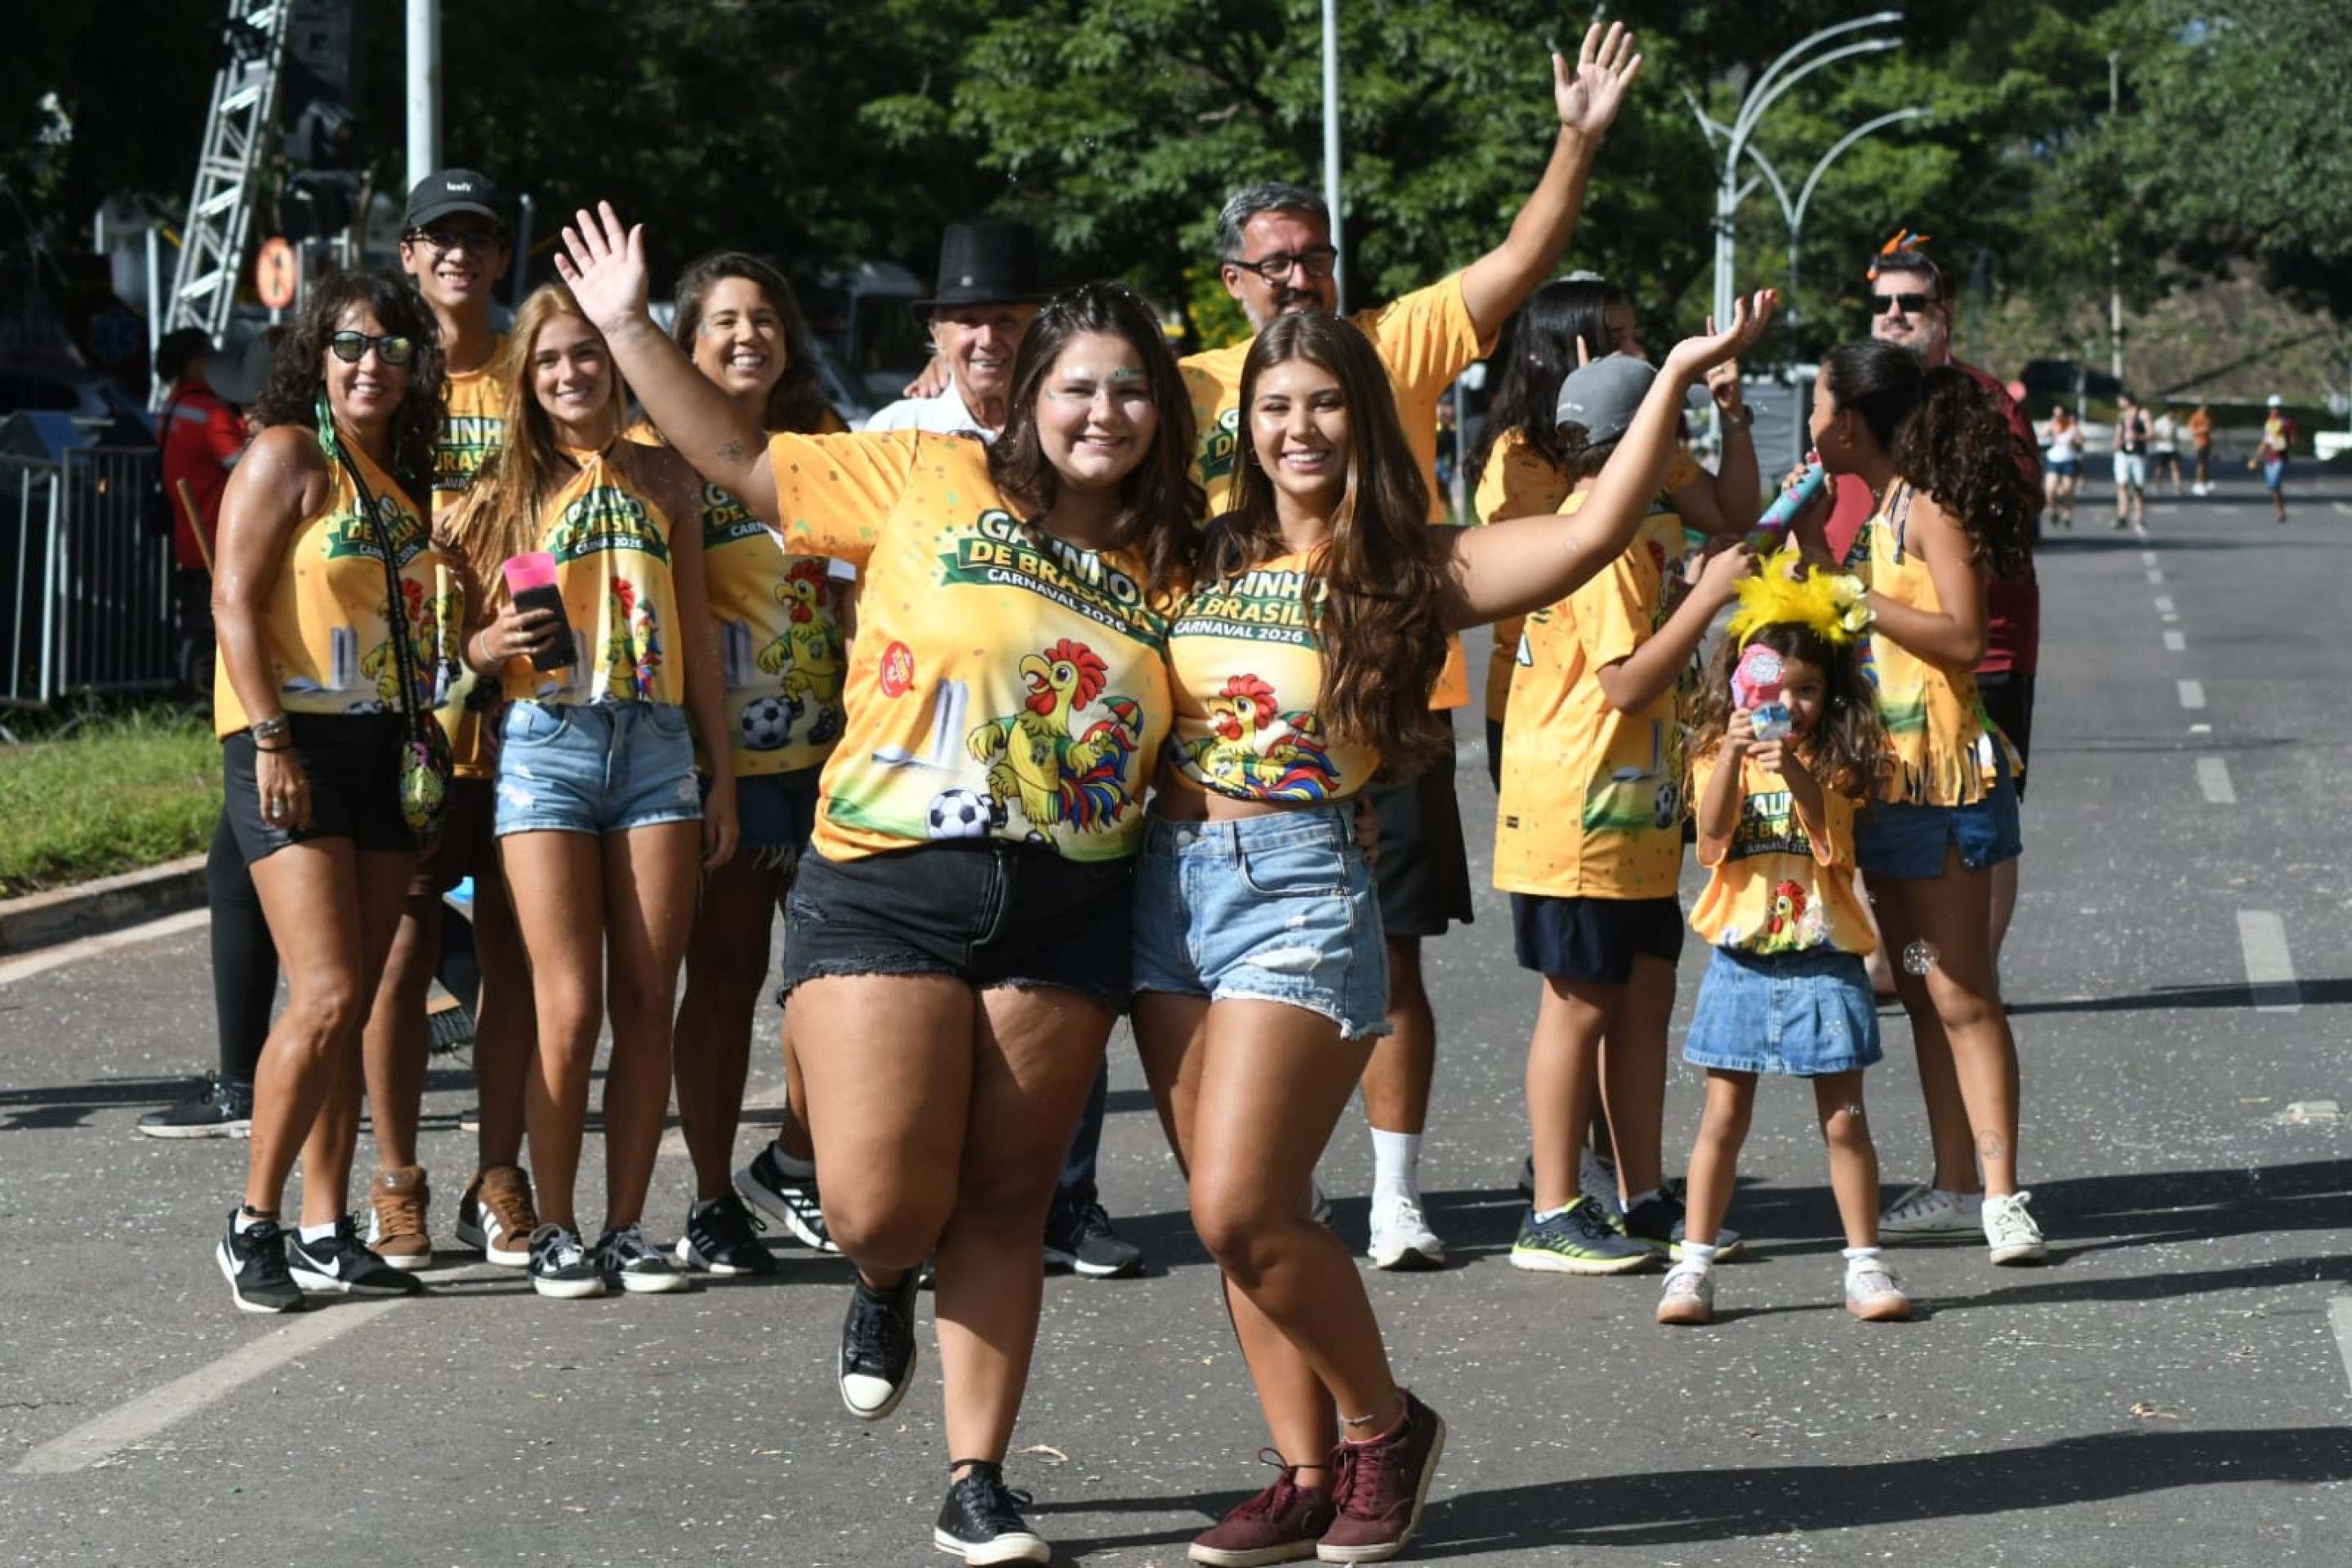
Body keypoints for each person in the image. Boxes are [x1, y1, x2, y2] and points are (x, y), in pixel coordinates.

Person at [559, 197, 1199, 1564]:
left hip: (1068, 902)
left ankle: (978, 1479)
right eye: (1076, 388)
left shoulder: (1176, 553)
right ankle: (876, 1274)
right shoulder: (917, 479)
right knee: (874, 1198)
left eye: (1131, 390)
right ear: (1022, 399)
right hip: (887, 878)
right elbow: (731, 450)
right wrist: (625, 323)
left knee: (1007, 1199)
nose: (1104, 414)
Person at [1149, 297, 1774, 1568]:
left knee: (1238, 1204)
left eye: (1325, 402)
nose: (1298, 427)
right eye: (1275, 406)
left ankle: (1388, 1426)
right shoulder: (1194, 555)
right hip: (1170, 894)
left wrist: (1689, 380)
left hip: (1300, 888)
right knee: (1239, 1222)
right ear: (1245, 427)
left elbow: (1599, 526)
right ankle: (1306, 1473)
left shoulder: (1411, 565)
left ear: (1365, 422)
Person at [1181, 20, 1645, 1271]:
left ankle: (1394, 1196)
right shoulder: (1190, 386)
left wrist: (1576, 140)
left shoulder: (1395, 341)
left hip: (1393, 706)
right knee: (1213, 970)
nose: (1298, 281)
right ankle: (1260, 1188)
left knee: (1387, 962)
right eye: (1274, 264)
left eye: (1315, 258)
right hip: (1231, 731)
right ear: (1231, 279)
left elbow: (1523, 256)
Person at [854, 220, 1147, 1280]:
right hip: (919, 784)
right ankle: (917, 1224)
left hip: (1060, 783)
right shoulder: (896, 437)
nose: (989, 337)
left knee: (1053, 1018)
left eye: (1010, 319)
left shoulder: (1080, 428)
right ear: (937, 328)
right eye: (969, 318)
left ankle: (1064, 1202)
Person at [448, 283, 736, 1299]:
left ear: (614, 362)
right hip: (545, 743)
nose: (571, 373)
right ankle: (555, 1226)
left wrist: (721, 774)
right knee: (565, 1008)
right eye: (550, 361)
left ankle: (625, 1227)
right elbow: (453, 630)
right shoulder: (506, 486)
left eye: (585, 354)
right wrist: (484, 646)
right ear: (527, 377)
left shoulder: (668, 475)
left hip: (658, 746)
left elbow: (698, 630)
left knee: (650, 999)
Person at [208, 270, 454, 1312]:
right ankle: (251, 1224)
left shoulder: (392, 478)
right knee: (325, 996)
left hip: (377, 750)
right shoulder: (287, 455)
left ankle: (322, 1225)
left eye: (394, 350)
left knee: (351, 1002)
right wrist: (270, 740)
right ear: (318, 354)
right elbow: (232, 600)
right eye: (352, 346)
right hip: (290, 738)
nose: (372, 366)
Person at [1786, 339, 2047, 1269]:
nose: (1810, 421)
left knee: (1962, 992)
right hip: (1885, 786)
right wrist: (1814, 543)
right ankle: (1954, 1178)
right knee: (1926, 988)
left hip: (1942, 784)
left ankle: (2004, 1193)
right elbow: (1846, 624)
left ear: (1849, 421)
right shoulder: (1877, 509)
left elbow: (1967, 636)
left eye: (1817, 405)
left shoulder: (1929, 505)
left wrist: (1858, 593)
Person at [1499, 356, 1756, 1277]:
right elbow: (1626, 683)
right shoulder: (1593, 540)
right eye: (1672, 430)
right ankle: (1551, 1207)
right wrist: (1708, 599)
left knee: (1643, 999)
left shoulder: (1632, 528)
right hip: (1576, 811)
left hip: (1634, 811)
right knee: (1578, 1006)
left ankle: (1643, 1197)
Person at [642, 251, 849, 1275]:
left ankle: (801, 1163)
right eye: (723, 322)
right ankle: (715, 1195)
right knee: (722, 981)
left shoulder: (827, 447)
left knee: (830, 985)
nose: (747, 337)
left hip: (836, 765)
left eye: (765, 319)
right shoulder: (658, 454)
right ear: (686, 343)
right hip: (721, 769)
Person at [358, 167, 537, 1271]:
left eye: (478, 236)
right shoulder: (385, 372)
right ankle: (396, 1184)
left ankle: (501, 1176)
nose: (459, 254)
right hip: (412, 714)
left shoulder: (537, 368)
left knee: (517, 958)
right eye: (439, 237)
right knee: (399, 955)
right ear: (412, 255)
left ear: (502, 256)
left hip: (527, 714)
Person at [1655, 559, 1911, 1327]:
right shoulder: (1715, 751)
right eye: (1776, 688)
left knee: (1845, 1121)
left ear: (1829, 693)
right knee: (1722, 1121)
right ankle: (1691, 1270)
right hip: (1741, 959)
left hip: (1826, 959)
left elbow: (1835, 841)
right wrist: (1733, 753)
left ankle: (1865, 1264)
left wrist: (1794, 769)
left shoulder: (1836, 759)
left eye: (1807, 690)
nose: (1790, 705)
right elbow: (1711, 837)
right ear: (1742, 684)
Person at [1820, 234, 2041, 1104]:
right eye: (1884, 305)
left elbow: (1981, 572)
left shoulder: (1967, 429)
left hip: (1967, 676)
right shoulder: (1870, 454)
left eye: (1912, 304)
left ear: (1942, 314)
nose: (1897, 316)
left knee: (1956, 970)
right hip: (1884, 699)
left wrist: (1871, 598)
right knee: (1919, 976)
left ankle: (1988, 1181)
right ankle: (1923, 967)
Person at [141, 328, 270, 1142]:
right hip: (270, 706)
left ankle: (246, 1083)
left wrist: (273, 734)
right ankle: (241, 1079)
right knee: (235, 875)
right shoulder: (209, 418)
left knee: (389, 906)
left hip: (278, 716)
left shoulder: (270, 456)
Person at [866, 220, 1045, 440]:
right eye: (968, 321)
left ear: (1037, 329)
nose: (987, 340)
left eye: (1005, 321)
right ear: (938, 334)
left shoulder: (1065, 432)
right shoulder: (898, 431)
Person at [2110, 394, 2149, 532]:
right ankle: (2122, 516)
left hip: (2137, 454)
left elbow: (2151, 433)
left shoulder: (2142, 414)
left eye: (2121, 400)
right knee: (2122, 485)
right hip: (2122, 454)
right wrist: (2116, 442)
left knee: (2138, 487)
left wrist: (2138, 437)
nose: (2119, 402)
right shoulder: (2122, 415)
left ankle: (2140, 516)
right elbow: (2118, 432)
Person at [2255, 394, 2296, 523]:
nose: (2274, 410)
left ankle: (2280, 511)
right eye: (2272, 408)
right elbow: (2265, 442)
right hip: (2270, 458)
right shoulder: (2269, 423)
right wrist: (2256, 458)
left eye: (2276, 408)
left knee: (2275, 482)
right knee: (2273, 487)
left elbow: (2293, 441)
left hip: (2280, 458)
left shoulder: (2287, 423)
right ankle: (2280, 509)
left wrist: (2282, 438)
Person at [2042, 404, 2081, 529]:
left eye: (2060, 414)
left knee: (2067, 490)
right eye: (2055, 414)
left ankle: (2067, 514)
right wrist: (2051, 426)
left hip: (2069, 460)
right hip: (2054, 459)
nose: (2057, 417)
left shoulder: (2072, 427)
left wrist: (2075, 441)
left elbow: (2081, 442)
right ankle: (2053, 510)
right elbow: (2042, 434)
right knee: (2050, 489)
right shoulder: (2052, 425)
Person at [2149, 405, 2181, 495]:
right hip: (2162, 448)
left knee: (2175, 467)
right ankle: (2157, 484)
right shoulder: (2160, 422)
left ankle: (2177, 486)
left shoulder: (2174, 422)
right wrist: (2164, 438)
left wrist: (2175, 440)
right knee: (2160, 468)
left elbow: (2175, 435)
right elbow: (2154, 435)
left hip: (2172, 448)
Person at [2187, 402, 2214, 494]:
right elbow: (2191, 429)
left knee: (2205, 464)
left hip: (2207, 443)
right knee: (2201, 464)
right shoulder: (2196, 417)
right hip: (2200, 443)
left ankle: (2205, 481)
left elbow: (2209, 428)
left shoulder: (2207, 417)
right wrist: (2203, 429)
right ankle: (2198, 483)